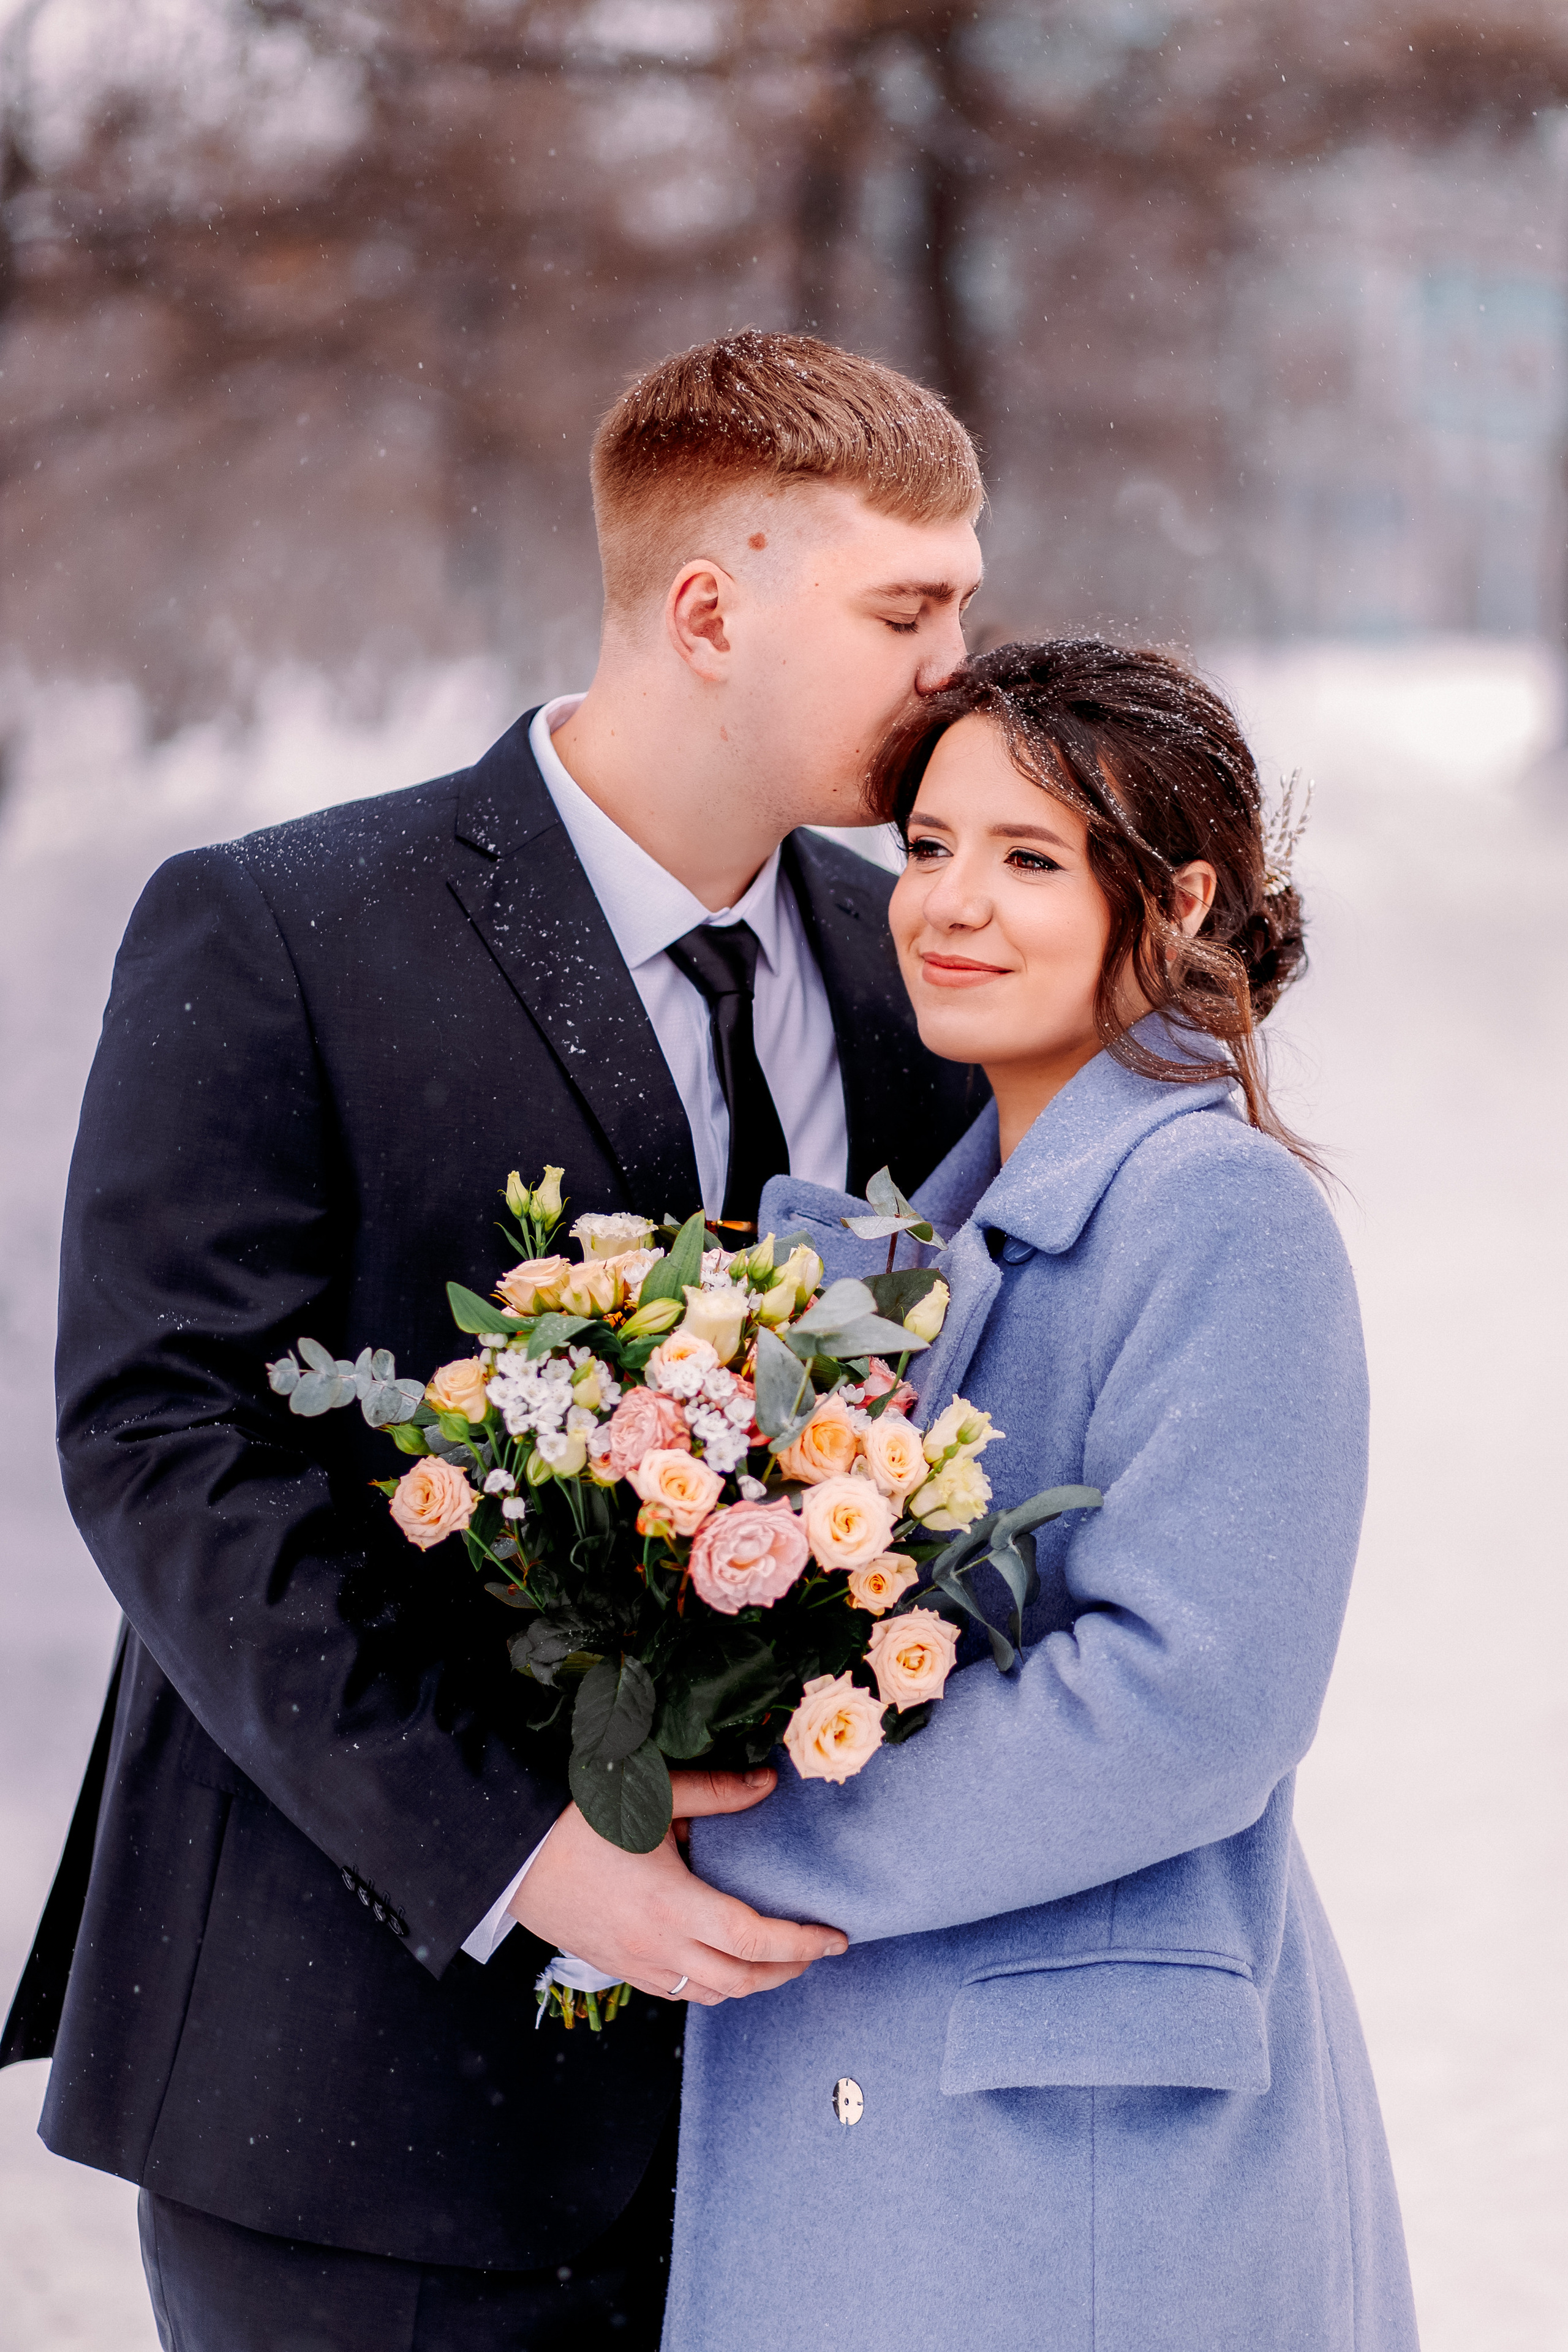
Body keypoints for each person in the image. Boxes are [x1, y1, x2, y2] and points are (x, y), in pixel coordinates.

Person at [1, 331, 990, 2351]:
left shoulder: (911, 984)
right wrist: (518, 1851)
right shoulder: (284, 929)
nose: (955, 666)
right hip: (357, 2085)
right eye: (911, 608)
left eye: (966, 603)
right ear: (708, 608)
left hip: (792, 2117)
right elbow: (162, 1439)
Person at [667, 639, 1420, 2351]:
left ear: (1174, 897)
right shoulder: (914, 1243)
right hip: (901, 2101)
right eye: (928, 848)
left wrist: (745, 1832)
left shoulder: (1216, 1213)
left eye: (1028, 858)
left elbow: (1197, 1699)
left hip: (1079, 2151)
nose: (950, 904)